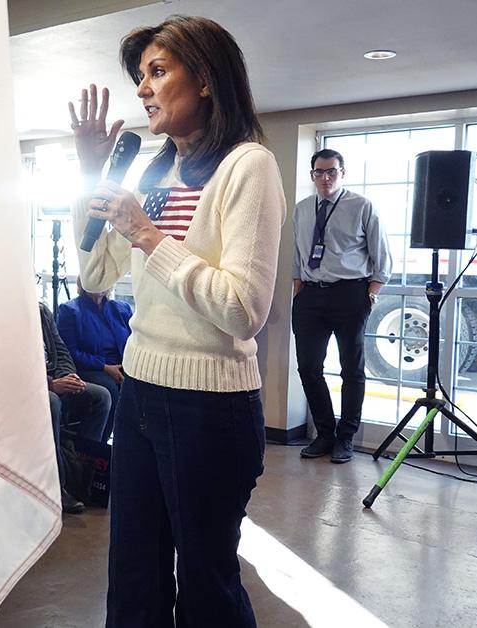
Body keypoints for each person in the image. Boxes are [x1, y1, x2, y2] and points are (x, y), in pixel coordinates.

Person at [68, 15, 285, 627]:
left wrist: (146, 233)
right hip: (140, 391)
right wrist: (93, 178)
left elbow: (243, 309)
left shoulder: (248, 166)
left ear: (208, 79)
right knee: (132, 573)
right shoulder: (151, 174)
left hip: (209, 408)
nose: (143, 88)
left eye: (158, 71)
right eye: (141, 76)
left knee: (205, 584)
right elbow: (94, 278)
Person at [292, 149, 392, 464]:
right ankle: (324, 433)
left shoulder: (361, 206)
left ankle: (345, 438)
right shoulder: (303, 209)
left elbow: (382, 255)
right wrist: (298, 287)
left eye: (331, 172)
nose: (325, 178)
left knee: (352, 369)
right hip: (310, 296)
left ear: (342, 173)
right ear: (312, 175)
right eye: (319, 172)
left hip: (350, 294)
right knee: (308, 367)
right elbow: (297, 251)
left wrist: (372, 291)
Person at [41, 302, 111, 514]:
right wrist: (51, 384)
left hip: (56, 379)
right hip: (32, 386)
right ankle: (59, 486)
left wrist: (69, 377)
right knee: (52, 402)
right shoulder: (5, 316)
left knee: (101, 396)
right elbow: (13, 365)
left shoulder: (42, 311)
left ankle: (83, 474)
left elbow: (61, 350)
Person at [55, 284, 133, 443]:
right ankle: (96, 449)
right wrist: (104, 366)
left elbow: (134, 341)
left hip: (121, 365)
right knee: (111, 389)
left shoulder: (122, 309)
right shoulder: (70, 311)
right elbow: (71, 352)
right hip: (89, 367)